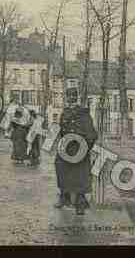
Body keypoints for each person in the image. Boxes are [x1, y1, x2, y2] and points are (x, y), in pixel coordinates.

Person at [54, 87, 98, 215]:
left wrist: (85, 148)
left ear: (77, 98)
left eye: (73, 96)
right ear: (66, 98)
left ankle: (80, 203)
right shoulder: (65, 112)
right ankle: (64, 197)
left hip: (80, 149)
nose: (71, 99)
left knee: (80, 174)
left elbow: (92, 134)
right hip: (66, 148)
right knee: (60, 167)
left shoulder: (84, 113)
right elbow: (62, 132)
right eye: (69, 97)